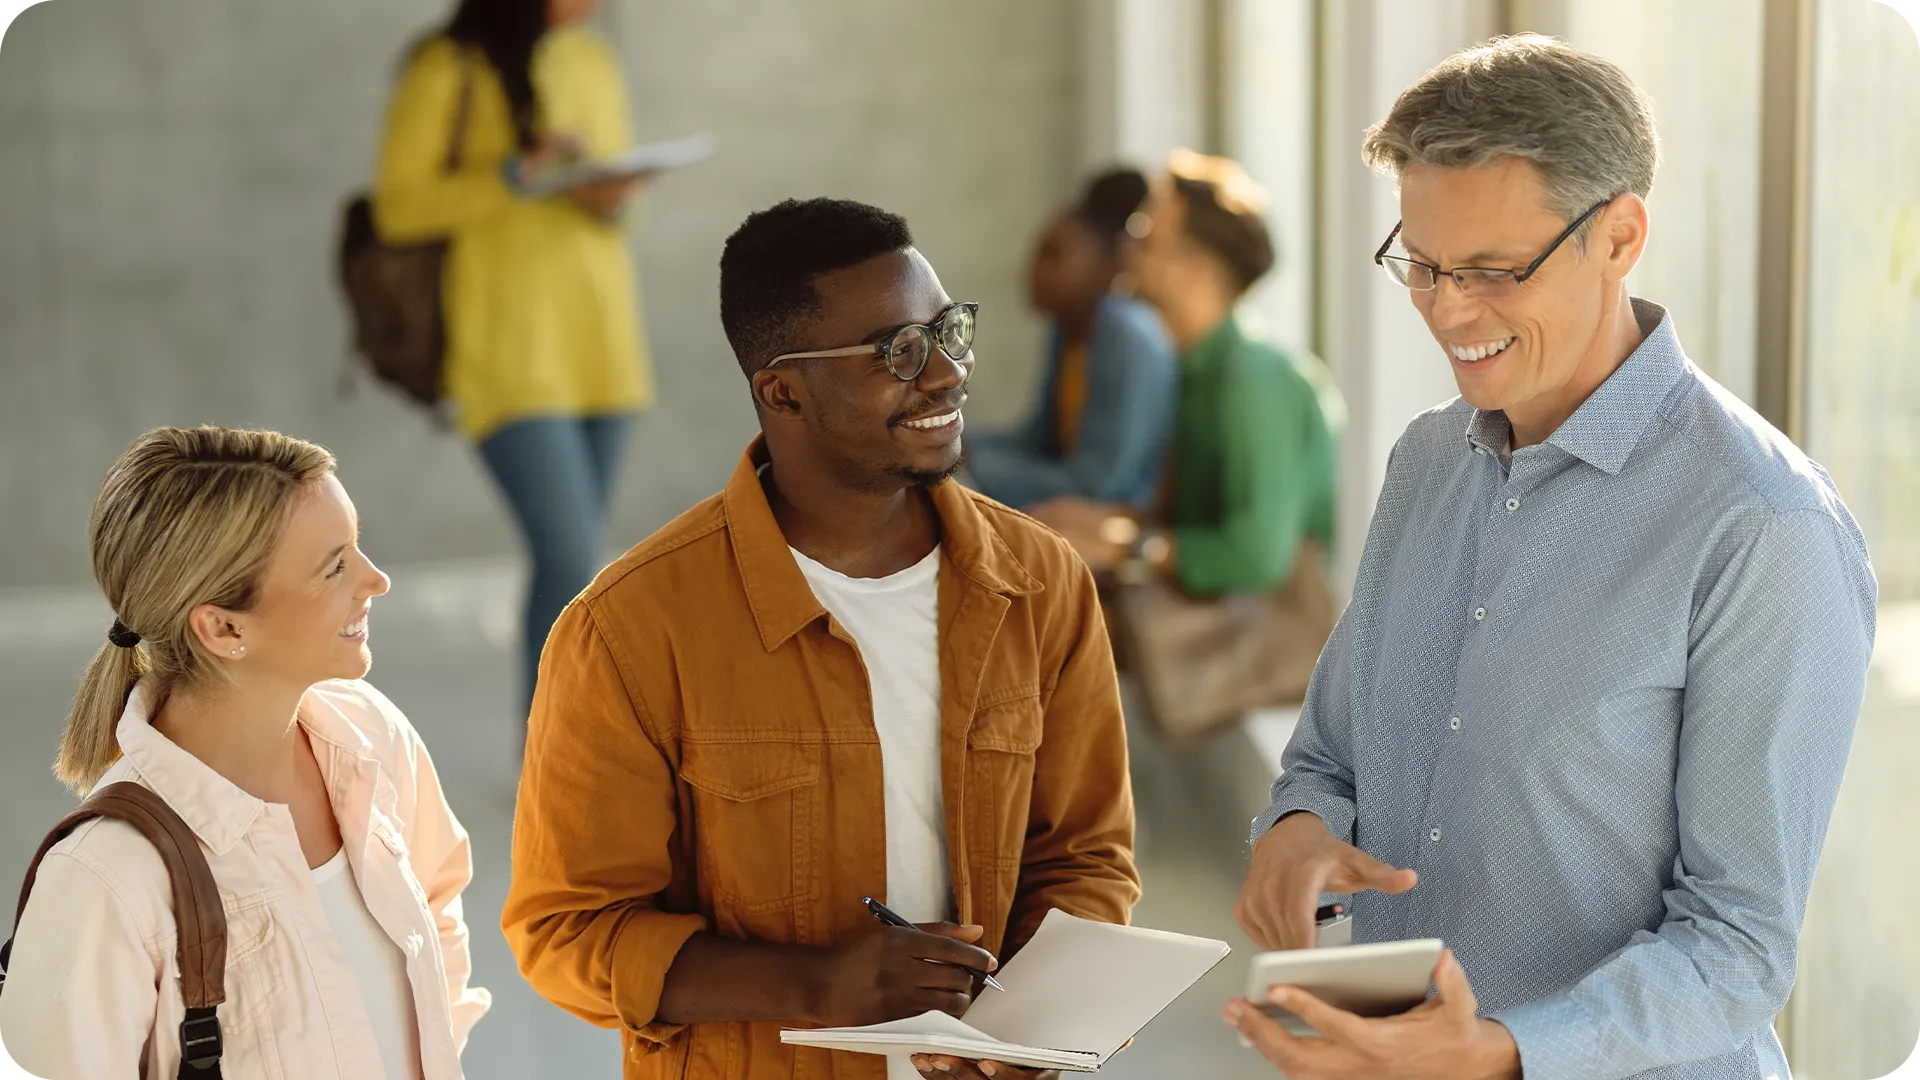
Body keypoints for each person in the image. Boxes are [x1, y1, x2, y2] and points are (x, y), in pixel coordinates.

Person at [1226, 35, 1875, 1080]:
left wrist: (1499, 1052)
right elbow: (1334, 753)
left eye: (1491, 271)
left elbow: (1742, 946)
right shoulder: (1428, 461)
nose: (1447, 310)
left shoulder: (1762, 527)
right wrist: (1301, 825)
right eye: (1424, 265)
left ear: (1620, 236)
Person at [501, 198, 1140, 1080]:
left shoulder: (1040, 582)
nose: (948, 373)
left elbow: (1085, 857)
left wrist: (1032, 1027)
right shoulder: (628, 630)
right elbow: (566, 933)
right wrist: (813, 985)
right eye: (899, 353)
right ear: (783, 390)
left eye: (948, 331)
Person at [0, 426, 490, 1078]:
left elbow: (439, 920)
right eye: (335, 565)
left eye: (358, 546)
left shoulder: (374, 740)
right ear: (224, 628)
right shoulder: (104, 880)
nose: (377, 580)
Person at [373, 0, 654, 715]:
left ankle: (557, 753)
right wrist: (512, 174)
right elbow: (397, 208)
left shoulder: (593, 58)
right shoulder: (447, 66)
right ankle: (553, 760)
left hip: (603, 340)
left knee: (578, 564)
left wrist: (608, 196)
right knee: (567, 556)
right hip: (509, 349)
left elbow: (624, 207)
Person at [1030, 151, 1342, 599]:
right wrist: (1092, 523)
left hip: (1257, 653)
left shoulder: (1253, 380)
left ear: (1197, 272)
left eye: (1145, 238)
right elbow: (1189, 522)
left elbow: (1257, 555)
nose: (1126, 251)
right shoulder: (1192, 367)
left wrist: (1127, 546)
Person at [965, 168, 1178, 509]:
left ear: (1105, 266)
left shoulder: (1125, 332)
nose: (1033, 269)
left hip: (1118, 520)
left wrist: (972, 464)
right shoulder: (1068, 328)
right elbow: (1038, 439)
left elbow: (1102, 482)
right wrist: (951, 446)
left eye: (1054, 255)